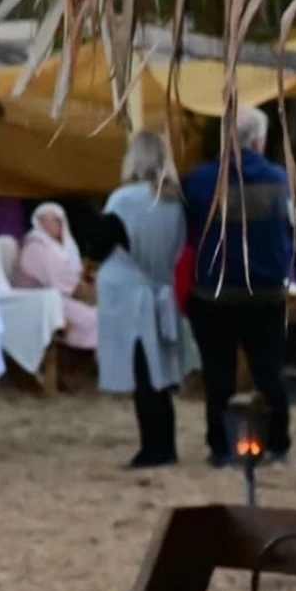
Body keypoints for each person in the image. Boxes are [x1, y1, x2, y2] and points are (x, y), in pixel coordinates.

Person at [182, 105, 295, 466]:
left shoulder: (199, 180)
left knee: (218, 376)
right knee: (268, 372)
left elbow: (189, 232)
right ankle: (277, 444)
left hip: (215, 293)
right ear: (259, 141)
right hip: (265, 293)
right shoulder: (277, 179)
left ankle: (221, 447)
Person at [98, 132, 189, 468]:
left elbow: (102, 242)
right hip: (160, 289)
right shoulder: (174, 201)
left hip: (130, 296)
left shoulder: (125, 200)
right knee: (160, 375)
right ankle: (163, 443)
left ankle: (154, 447)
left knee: (144, 376)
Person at [16, 203, 98, 350]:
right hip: (40, 300)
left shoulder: (59, 246)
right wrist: (87, 293)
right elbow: (60, 281)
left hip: (56, 295)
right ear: (39, 223)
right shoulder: (36, 245)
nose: (53, 225)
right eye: (48, 220)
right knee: (92, 317)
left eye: (57, 220)